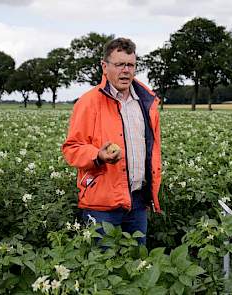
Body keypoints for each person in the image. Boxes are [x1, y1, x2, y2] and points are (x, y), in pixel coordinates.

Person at [62, 37, 161, 245]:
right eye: (119, 65)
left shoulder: (146, 102)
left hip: (138, 201)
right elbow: (72, 148)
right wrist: (98, 155)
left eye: (130, 65)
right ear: (104, 67)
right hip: (102, 204)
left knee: (137, 267)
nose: (125, 70)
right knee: (102, 267)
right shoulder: (88, 103)